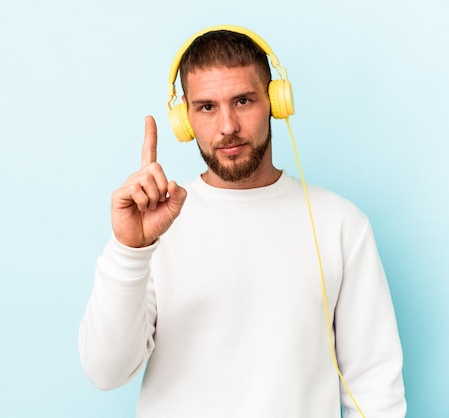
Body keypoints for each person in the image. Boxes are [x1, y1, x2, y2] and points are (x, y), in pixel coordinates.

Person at [79, 26, 406, 417]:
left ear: (275, 102)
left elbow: (374, 385)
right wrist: (130, 251)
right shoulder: (153, 227)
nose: (228, 126)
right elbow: (106, 372)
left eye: (243, 101)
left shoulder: (340, 223)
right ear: (184, 119)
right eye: (207, 107)